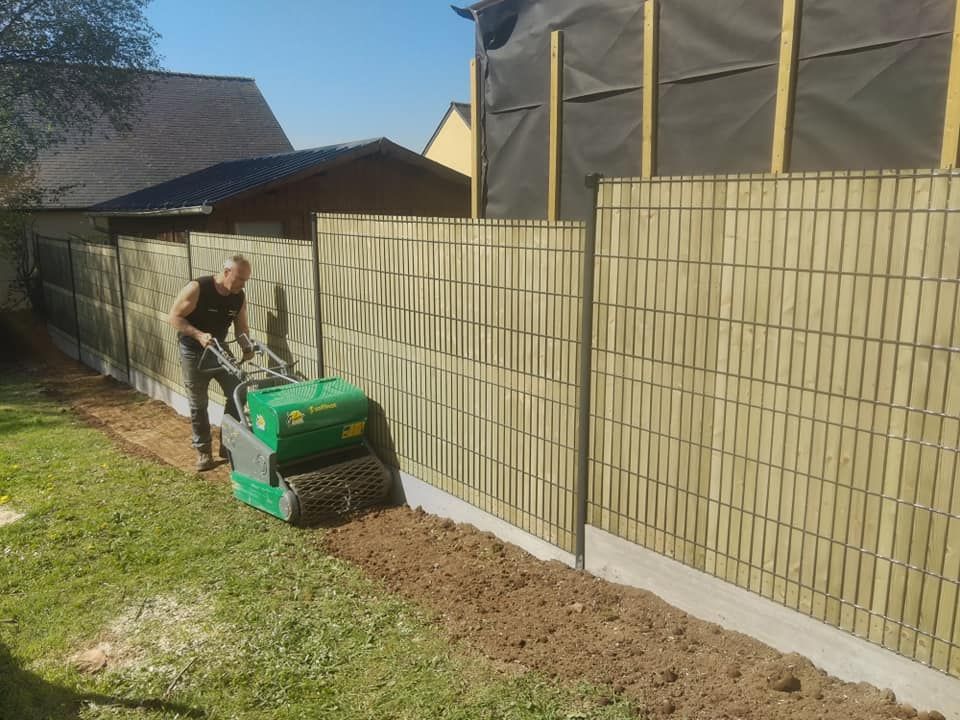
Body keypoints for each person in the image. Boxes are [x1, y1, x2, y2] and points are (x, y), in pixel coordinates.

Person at [168, 255, 254, 471]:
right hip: (193, 349)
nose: (242, 284)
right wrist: (198, 335)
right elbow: (174, 317)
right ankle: (203, 452)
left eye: (245, 280)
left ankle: (228, 443)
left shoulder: (238, 296)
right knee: (198, 403)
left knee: (238, 390)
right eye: (239, 279)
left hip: (218, 348)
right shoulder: (199, 287)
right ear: (226, 272)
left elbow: (241, 328)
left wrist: (246, 346)